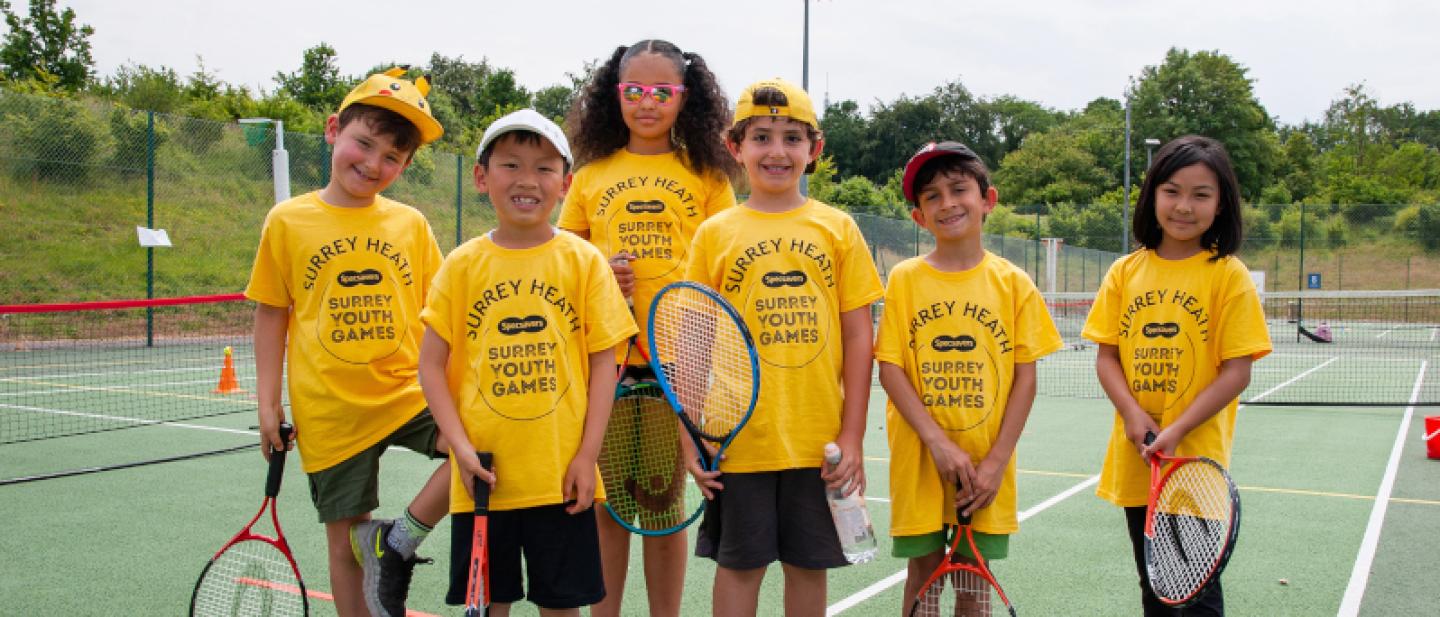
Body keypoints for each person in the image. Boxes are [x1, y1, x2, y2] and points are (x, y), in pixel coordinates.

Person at [246, 67, 451, 617]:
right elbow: (271, 313)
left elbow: (440, 314)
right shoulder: (287, 221)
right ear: (335, 129)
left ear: (406, 166)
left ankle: (399, 538)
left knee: (482, 450)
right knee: (344, 546)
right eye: (364, 143)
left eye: (392, 157)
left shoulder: (410, 224)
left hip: (409, 394)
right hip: (330, 408)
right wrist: (268, 403)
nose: (373, 163)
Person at [418, 109, 635, 617]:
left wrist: (587, 457)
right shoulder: (462, 264)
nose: (527, 181)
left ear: (566, 183)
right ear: (481, 177)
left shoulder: (583, 262)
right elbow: (430, 367)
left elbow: (606, 364)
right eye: (510, 164)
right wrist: (460, 450)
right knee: (493, 604)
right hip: (484, 480)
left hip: (560, 476)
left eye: (543, 168)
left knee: (561, 605)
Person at [683, 78, 884, 617]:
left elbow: (859, 334)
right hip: (737, 439)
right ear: (735, 147)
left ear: (814, 150)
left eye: (792, 138)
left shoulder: (838, 228)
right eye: (762, 137)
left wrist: (853, 433)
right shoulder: (714, 233)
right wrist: (691, 435)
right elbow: (693, 338)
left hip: (818, 441)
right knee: (739, 568)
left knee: (807, 567)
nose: (777, 151)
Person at [557, 39, 737, 617]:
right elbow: (564, 263)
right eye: (634, 90)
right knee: (608, 511)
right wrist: (599, 275)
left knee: (662, 510)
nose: (648, 103)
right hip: (605, 366)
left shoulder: (707, 175)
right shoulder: (589, 176)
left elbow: (721, 270)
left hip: (679, 368)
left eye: (663, 92)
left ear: (687, 100)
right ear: (615, 96)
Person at [1081, 135, 1272, 616]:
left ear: (1221, 203)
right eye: (1172, 191)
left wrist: (1177, 429)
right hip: (1139, 462)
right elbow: (1107, 357)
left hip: (1194, 465)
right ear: (1152, 196)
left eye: (1201, 194)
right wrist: (1131, 413)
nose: (1184, 206)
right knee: (1155, 589)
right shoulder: (1125, 272)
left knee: (1196, 596)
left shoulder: (1229, 276)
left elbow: (1237, 372)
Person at [876, 141, 1063, 615]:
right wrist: (937, 442)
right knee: (922, 577)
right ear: (919, 217)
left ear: (988, 200)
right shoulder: (904, 279)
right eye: (931, 196)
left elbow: (1026, 379)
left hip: (985, 466)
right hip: (919, 459)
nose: (947, 203)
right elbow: (891, 367)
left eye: (959, 189)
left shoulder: (1015, 283)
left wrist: (997, 462)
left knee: (974, 580)